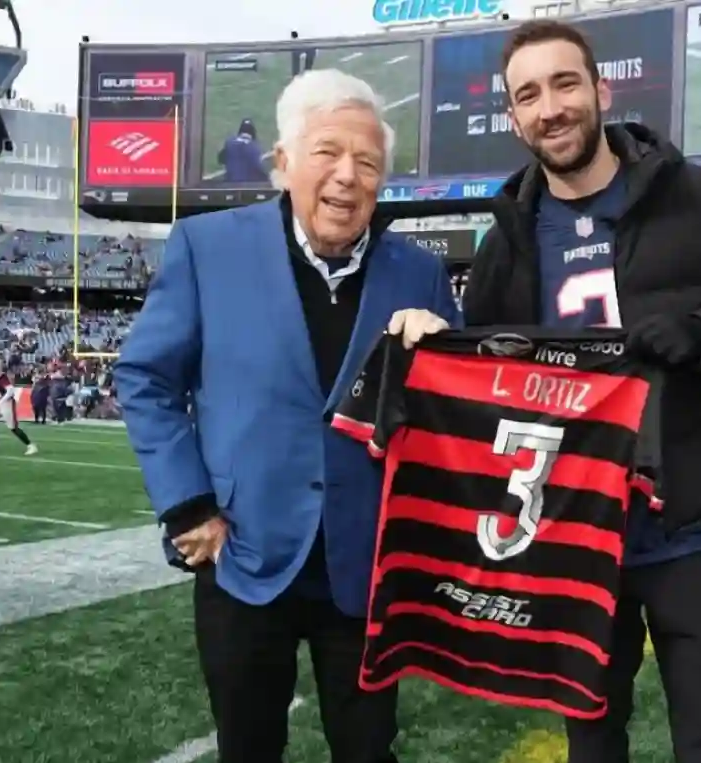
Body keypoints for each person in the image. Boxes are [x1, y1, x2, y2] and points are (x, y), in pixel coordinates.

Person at [391, 19, 701, 763]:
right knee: (591, 741)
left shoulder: (697, 196)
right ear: (513, 118)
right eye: (528, 95)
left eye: (564, 83)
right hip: (573, 535)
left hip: (693, 527)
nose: (550, 107)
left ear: (600, 90)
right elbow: (482, 375)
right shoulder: (507, 239)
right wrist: (430, 338)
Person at [114, 69, 460, 763]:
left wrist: (442, 353)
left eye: (367, 162)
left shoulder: (419, 274)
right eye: (327, 152)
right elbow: (145, 376)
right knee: (248, 748)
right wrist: (187, 507)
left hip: (364, 560)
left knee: (368, 750)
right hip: (242, 552)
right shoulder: (206, 246)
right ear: (283, 163)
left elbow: (449, 418)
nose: (346, 177)